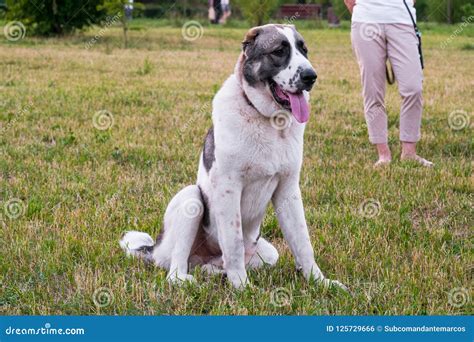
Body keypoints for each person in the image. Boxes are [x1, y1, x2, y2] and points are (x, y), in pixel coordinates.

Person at [345, 0, 433, 167]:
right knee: (372, 90)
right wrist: (363, 11)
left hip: (403, 21)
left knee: (413, 88)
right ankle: (383, 154)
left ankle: (409, 153)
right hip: (365, 21)